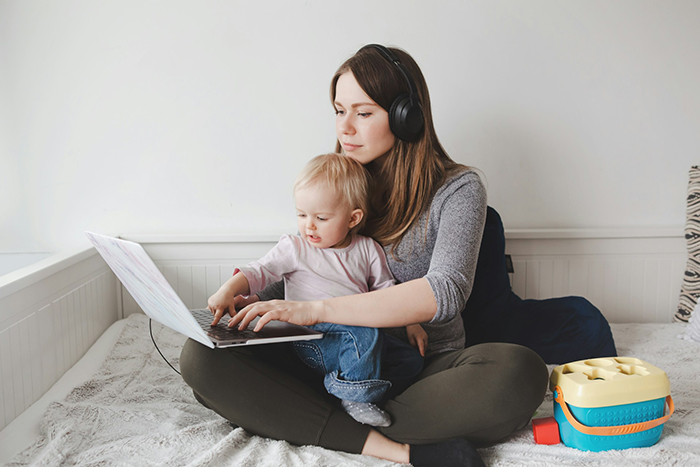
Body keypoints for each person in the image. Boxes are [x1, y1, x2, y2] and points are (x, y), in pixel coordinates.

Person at [180, 44, 550, 467]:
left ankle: (300, 417)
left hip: (411, 372)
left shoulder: (459, 189)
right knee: (202, 358)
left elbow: (445, 291)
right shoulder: (334, 181)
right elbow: (302, 264)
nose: (345, 129)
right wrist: (260, 304)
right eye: (339, 111)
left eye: (363, 112)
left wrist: (315, 309)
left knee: (519, 371)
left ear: (406, 116)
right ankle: (393, 446)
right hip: (319, 357)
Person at [207, 153, 425, 427]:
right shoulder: (295, 247)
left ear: (353, 218)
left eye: (321, 217)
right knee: (365, 331)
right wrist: (228, 289)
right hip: (311, 339)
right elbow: (259, 271)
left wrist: (412, 322)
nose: (308, 225)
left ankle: (336, 387)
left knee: (410, 360)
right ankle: (355, 398)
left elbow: (387, 293)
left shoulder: (368, 249)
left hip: (354, 338)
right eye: (301, 214)